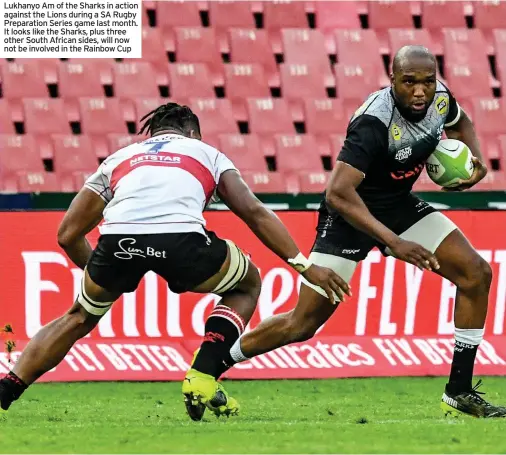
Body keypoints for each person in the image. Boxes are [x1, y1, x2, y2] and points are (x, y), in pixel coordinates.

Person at [0, 103, 350, 421]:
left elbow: (67, 234)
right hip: (182, 241)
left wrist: (104, 272)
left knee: (78, 316)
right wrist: (305, 266)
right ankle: (203, 372)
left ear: (152, 134)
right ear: (193, 133)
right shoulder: (206, 152)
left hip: (117, 241)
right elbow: (255, 213)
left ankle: (9, 387)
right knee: (248, 283)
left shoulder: (120, 158)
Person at [216, 46, 506, 418]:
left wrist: (474, 161)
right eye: (409, 82)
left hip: (398, 205)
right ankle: (213, 363)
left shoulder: (439, 99)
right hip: (350, 216)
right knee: (302, 323)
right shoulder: (374, 122)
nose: (420, 91)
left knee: (476, 273)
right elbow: (338, 191)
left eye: (428, 82)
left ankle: (459, 390)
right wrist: (394, 242)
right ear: (392, 80)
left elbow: (461, 122)